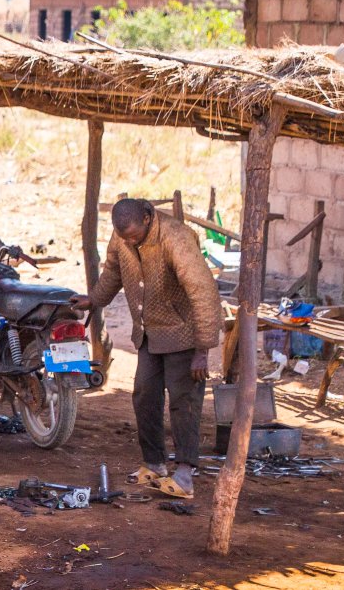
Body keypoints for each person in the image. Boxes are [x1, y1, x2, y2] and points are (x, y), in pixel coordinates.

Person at [71, 198, 221, 499]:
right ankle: (154, 463)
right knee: (144, 395)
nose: (128, 241)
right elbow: (113, 271)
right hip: (150, 333)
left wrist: (203, 349)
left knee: (184, 401)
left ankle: (184, 471)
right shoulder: (123, 235)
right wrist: (95, 299)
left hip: (184, 335)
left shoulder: (175, 238)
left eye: (134, 237)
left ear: (148, 218)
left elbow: (203, 291)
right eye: (123, 236)